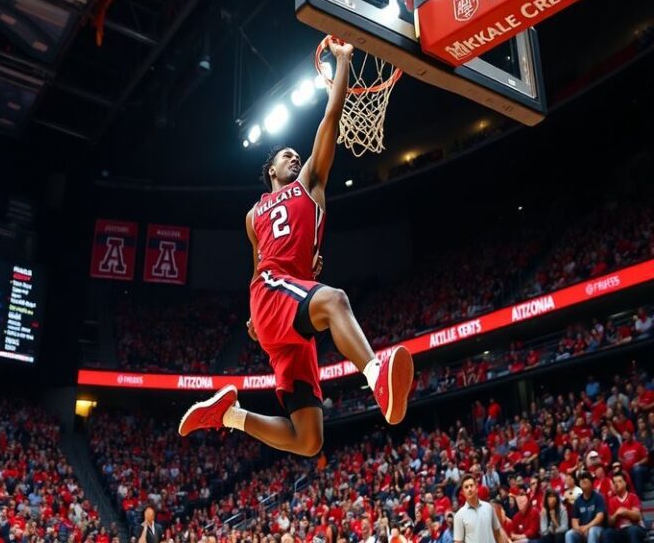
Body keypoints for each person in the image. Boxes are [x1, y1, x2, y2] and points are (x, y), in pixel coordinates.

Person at [178, 37, 414, 456]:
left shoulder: (311, 183)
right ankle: (376, 373)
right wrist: (257, 312)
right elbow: (258, 271)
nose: (293, 157)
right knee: (336, 301)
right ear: (269, 170)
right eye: (285, 156)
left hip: (289, 310)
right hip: (274, 294)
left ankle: (228, 416)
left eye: (295, 154)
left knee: (309, 441)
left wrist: (342, 64)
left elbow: (331, 118)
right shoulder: (253, 214)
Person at [453, 474, 508, 543]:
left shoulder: (488, 507)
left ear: (476, 488)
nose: (469, 489)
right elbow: (458, 542)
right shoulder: (459, 515)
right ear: (463, 493)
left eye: (471, 485)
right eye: (466, 487)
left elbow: (498, 534)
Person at [602, 471, 645, 543]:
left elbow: (637, 516)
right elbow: (610, 523)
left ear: (625, 483)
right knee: (607, 533)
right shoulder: (612, 500)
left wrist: (625, 512)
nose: (616, 484)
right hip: (620, 530)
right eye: (614, 482)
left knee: (632, 530)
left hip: (635, 527)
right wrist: (616, 514)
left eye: (619, 481)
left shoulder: (633, 497)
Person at [565, 472, 605, 543]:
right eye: (581, 479)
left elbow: (600, 517)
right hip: (582, 529)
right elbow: (574, 520)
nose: (583, 480)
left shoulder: (598, 497)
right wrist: (579, 529)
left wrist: (587, 527)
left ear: (591, 483)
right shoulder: (577, 501)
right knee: (569, 534)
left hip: (597, 528)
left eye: (585, 478)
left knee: (592, 531)